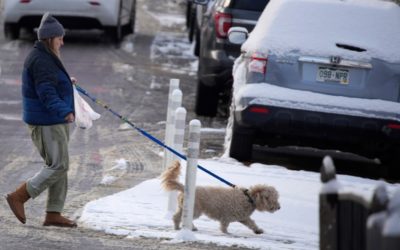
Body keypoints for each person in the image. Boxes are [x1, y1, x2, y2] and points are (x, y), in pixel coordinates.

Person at [5, 12, 77, 227]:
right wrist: (65, 110)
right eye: (60, 38)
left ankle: (54, 213)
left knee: (60, 165)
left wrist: (66, 81)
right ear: (49, 38)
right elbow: (46, 92)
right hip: (47, 121)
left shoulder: (45, 55)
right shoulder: (41, 59)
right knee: (58, 165)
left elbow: (50, 83)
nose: (62, 42)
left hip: (53, 120)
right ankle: (19, 196)